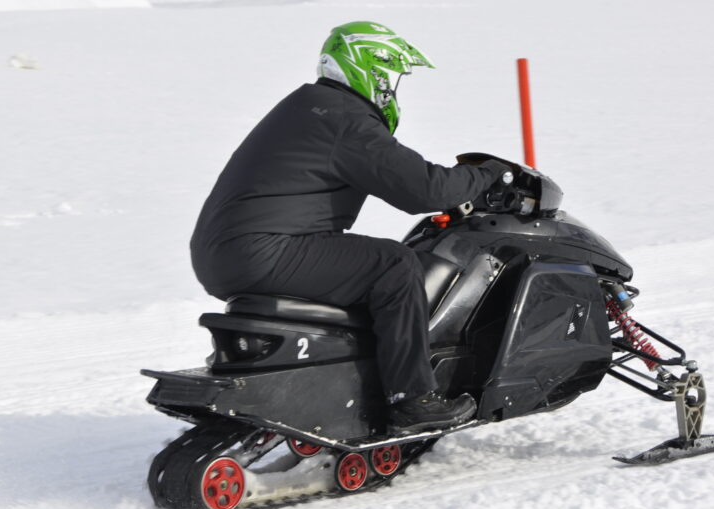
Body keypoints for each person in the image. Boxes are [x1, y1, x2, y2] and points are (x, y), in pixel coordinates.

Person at [191, 21, 507, 434]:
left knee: (360, 263)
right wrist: (490, 175)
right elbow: (424, 189)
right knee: (394, 265)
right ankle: (411, 400)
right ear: (369, 69)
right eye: (391, 78)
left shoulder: (308, 107)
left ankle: (355, 375)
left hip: (227, 252)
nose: (391, 90)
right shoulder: (344, 118)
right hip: (264, 250)